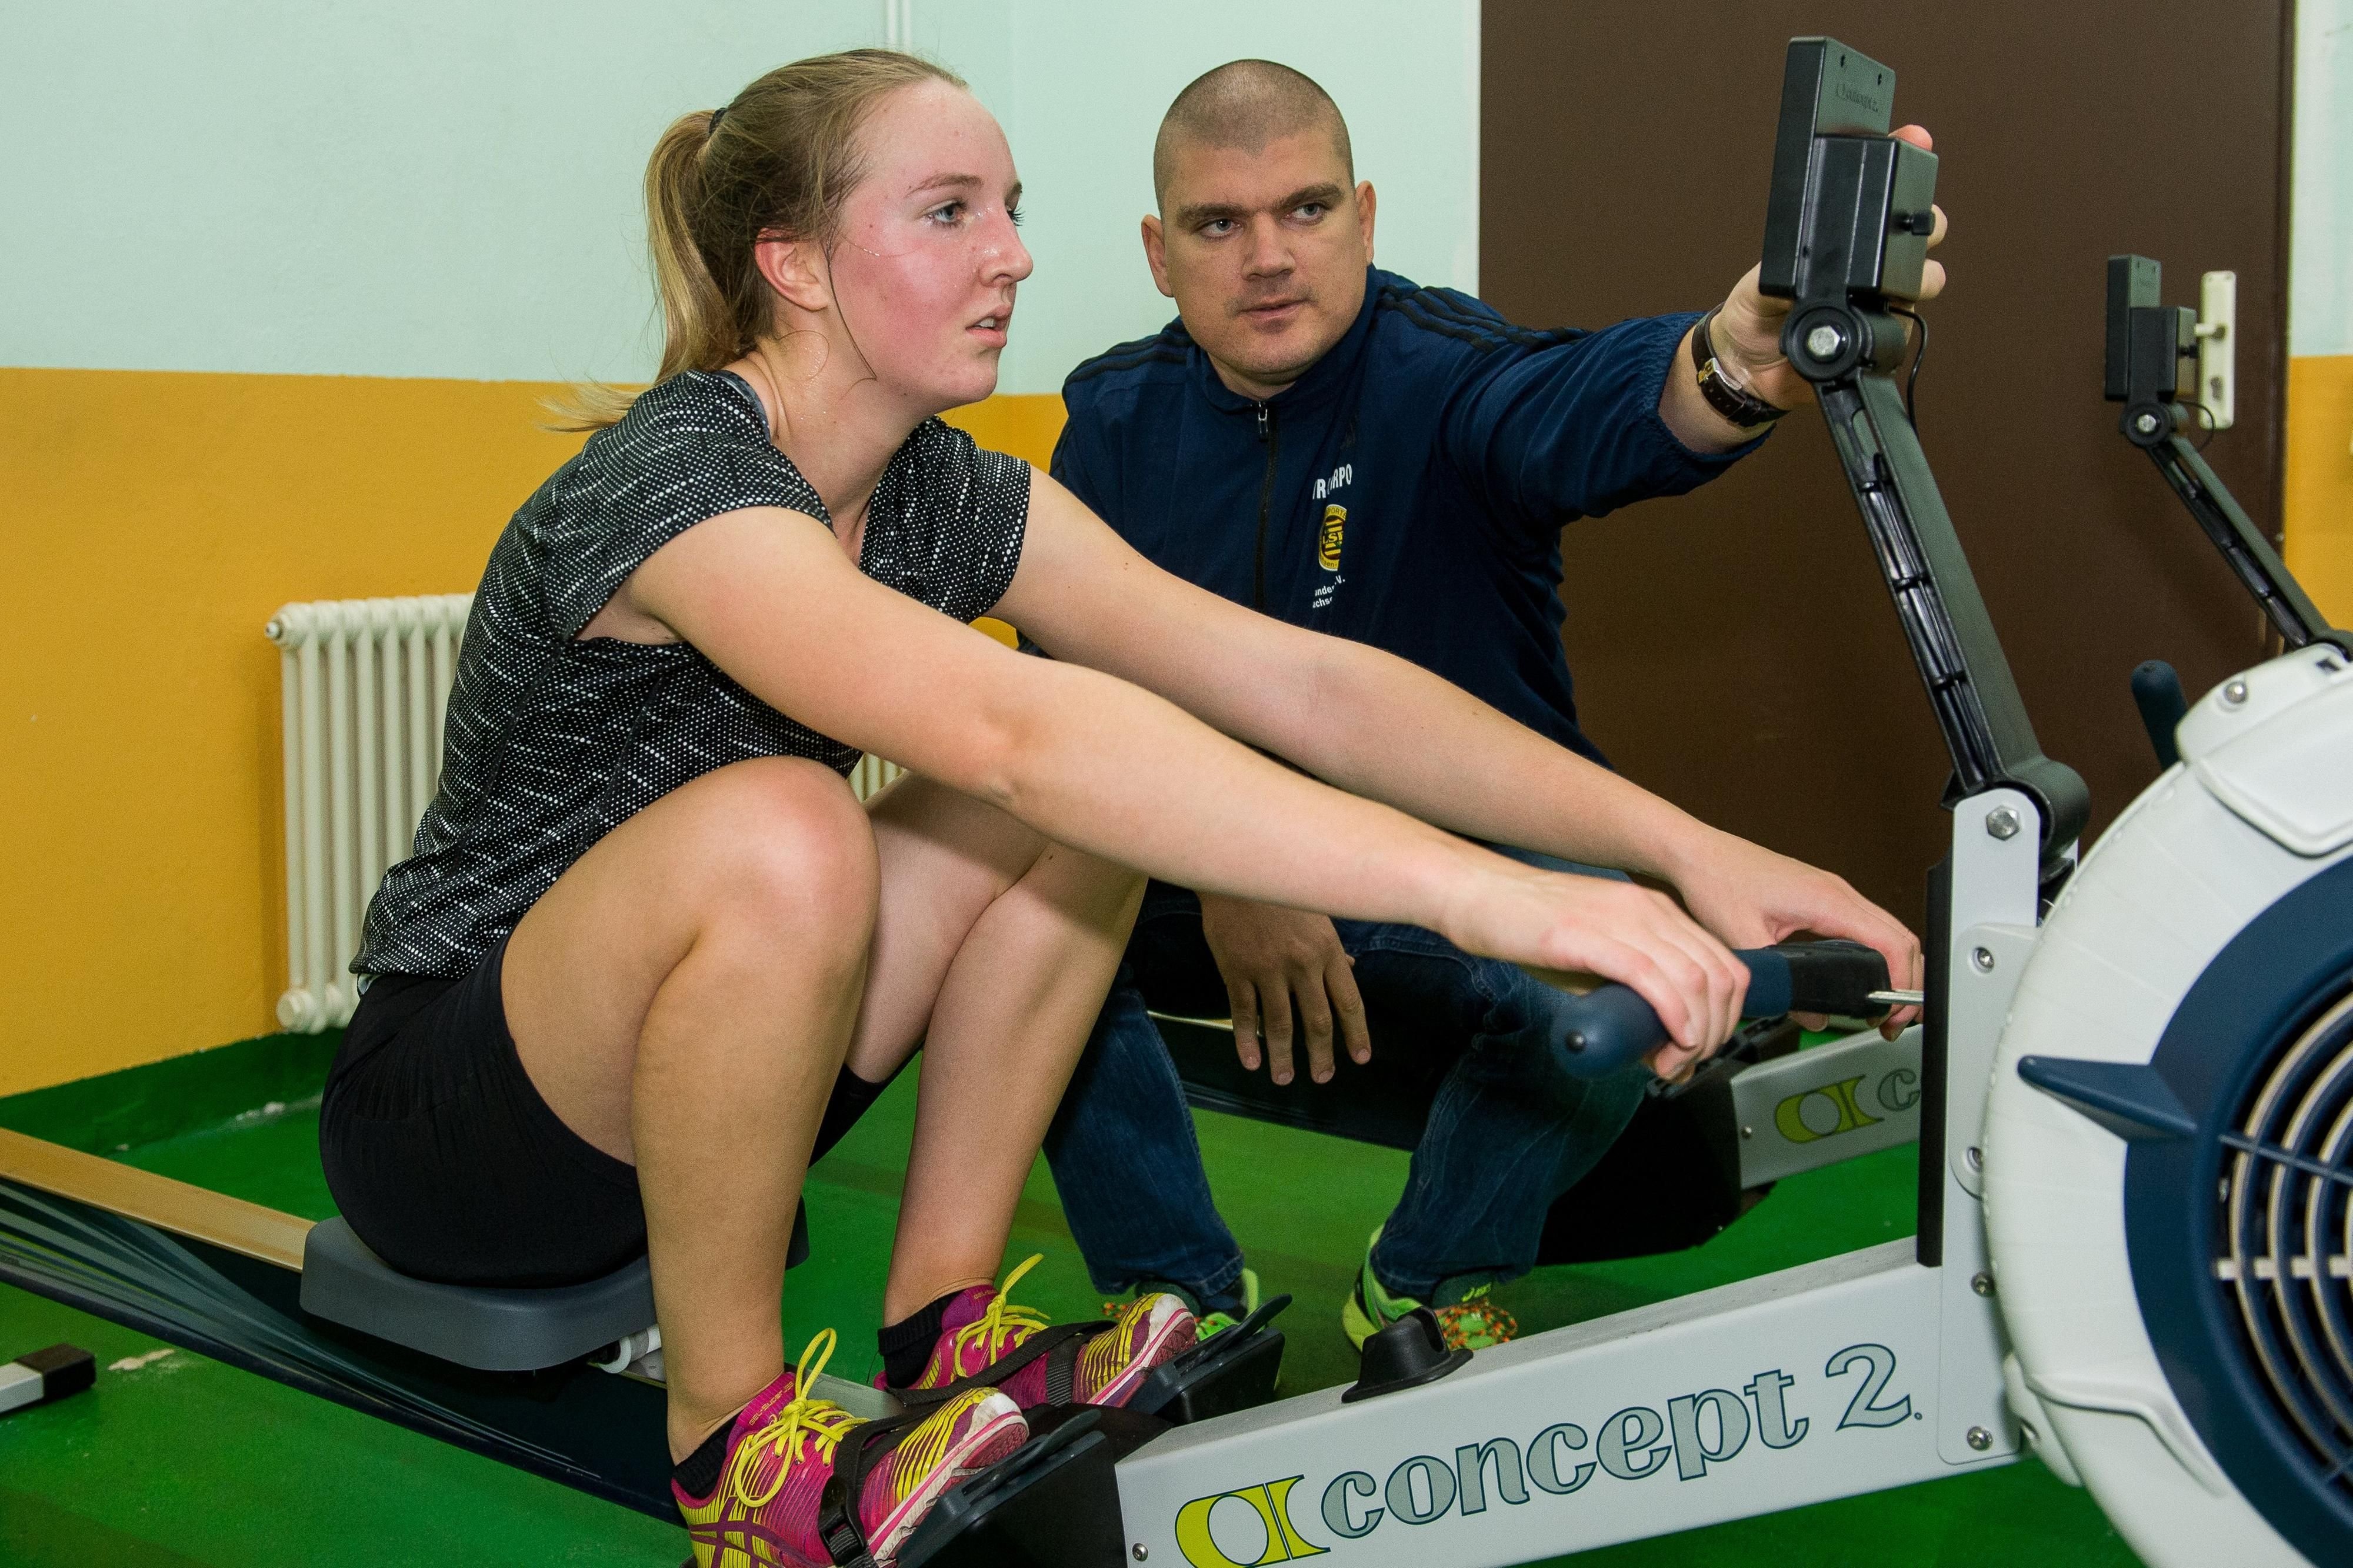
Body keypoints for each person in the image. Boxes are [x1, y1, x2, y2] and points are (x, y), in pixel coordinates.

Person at [316, 47, 1908, 1568]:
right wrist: (1501, 900)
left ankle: (944, 1324)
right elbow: (1011, 726)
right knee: (795, 825)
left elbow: (1310, 686)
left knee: (1085, 784)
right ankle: (737, 1450)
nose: (1009, 254)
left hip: (716, 1076)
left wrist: (1691, 851)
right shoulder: (682, 484)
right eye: (950, 213)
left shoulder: (950, 491)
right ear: (793, 264)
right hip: (459, 1121)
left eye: (1009, 206)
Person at [1042, 61, 1933, 1353]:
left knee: (1611, 960)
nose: (1267, 257)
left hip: (1461, 868)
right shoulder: (1111, 418)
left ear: (1362, 214)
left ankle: (1421, 1280)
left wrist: (1732, 365)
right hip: (1190, 864)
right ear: (1156, 250)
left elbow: (1591, 408)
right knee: (1008, 918)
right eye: (1216, 224)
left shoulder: (1446, 373)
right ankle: (1175, 1297)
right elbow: (1071, 709)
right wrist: (1232, 861)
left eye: (1303, 211)